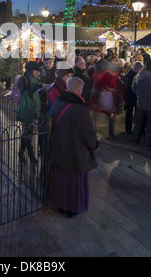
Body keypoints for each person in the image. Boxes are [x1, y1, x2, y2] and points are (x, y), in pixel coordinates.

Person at [48, 77, 98, 217]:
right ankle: (72, 208)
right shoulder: (81, 108)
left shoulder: (58, 101)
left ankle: (61, 204)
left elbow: (48, 122)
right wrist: (95, 145)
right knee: (73, 183)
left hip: (58, 150)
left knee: (61, 180)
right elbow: (89, 134)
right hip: (75, 155)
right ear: (80, 90)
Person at [17, 61, 43, 163]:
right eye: (36, 70)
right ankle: (31, 154)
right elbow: (24, 93)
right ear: (31, 70)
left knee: (29, 132)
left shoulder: (35, 79)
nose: (38, 72)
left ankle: (21, 152)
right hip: (27, 109)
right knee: (27, 132)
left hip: (34, 108)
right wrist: (35, 88)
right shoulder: (23, 79)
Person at [90, 60, 124, 139]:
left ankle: (95, 130)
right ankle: (110, 133)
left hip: (102, 97)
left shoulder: (102, 74)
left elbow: (98, 85)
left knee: (98, 115)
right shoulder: (108, 75)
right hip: (106, 97)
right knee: (109, 115)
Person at [123, 61, 143, 133]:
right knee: (129, 113)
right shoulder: (129, 75)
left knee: (136, 113)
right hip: (131, 96)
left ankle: (136, 129)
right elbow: (129, 87)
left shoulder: (132, 74)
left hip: (134, 96)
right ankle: (128, 129)